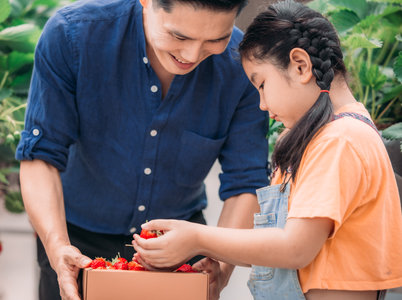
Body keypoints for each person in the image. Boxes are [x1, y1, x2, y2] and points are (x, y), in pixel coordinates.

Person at [132, 1, 402, 299]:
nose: (262, 105)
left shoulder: (340, 139)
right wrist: (216, 256)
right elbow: (282, 248)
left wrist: (197, 238)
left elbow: (295, 248)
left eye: (261, 85)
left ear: (300, 66)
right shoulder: (336, 134)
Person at [16, 0, 269, 299]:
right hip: (74, 242)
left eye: (215, 40)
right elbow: (40, 156)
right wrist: (57, 245)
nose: (191, 55)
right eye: (179, 36)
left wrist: (221, 268)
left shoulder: (241, 66)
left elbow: (247, 182)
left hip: (181, 250)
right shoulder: (72, 35)